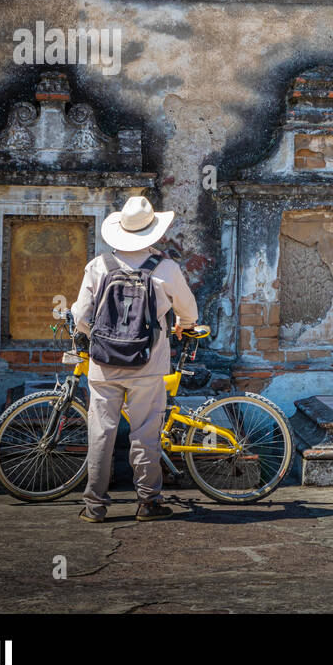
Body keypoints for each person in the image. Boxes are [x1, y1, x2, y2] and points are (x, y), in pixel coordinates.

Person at [71, 196, 199, 522]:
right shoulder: (166, 269)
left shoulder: (98, 266)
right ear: (152, 232)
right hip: (148, 364)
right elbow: (189, 312)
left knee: (101, 433)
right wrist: (183, 326)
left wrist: (97, 337)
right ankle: (148, 502)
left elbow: (81, 316)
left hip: (103, 365)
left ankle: (94, 507)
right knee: (145, 433)